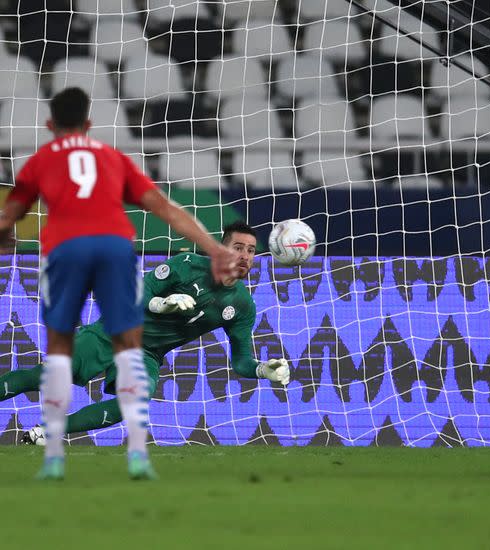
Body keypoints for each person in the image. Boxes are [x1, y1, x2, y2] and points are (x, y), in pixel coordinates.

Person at [0, 88, 237, 480]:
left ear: (49, 125)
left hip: (66, 250)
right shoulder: (113, 159)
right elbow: (164, 207)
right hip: (115, 250)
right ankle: (137, 456)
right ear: (89, 125)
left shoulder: (40, 161)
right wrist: (213, 247)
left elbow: (10, 217)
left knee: (59, 355)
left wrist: (6, 234)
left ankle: (53, 449)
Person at [0, 221, 290, 444]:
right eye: (238, 247)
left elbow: (240, 361)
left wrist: (264, 369)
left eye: (251, 251)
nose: (245, 256)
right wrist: (161, 304)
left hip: (147, 353)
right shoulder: (186, 265)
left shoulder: (243, 306)